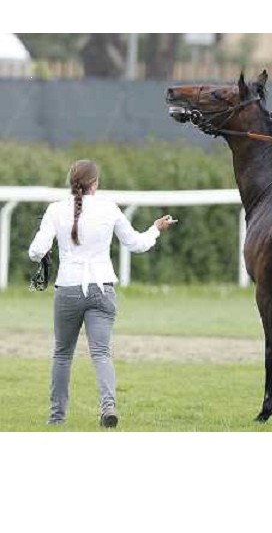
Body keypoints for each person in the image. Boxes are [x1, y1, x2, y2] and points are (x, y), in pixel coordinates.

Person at [28, 159, 177, 428]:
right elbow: (136, 244)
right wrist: (156, 228)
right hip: (102, 287)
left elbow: (36, 251)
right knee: (102, 353)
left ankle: (56, 417)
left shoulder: (55, 210)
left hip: (69, 289)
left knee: (62, 354)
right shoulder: (109, 208)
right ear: (95, 183)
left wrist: (44, 252)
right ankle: (108, 406)